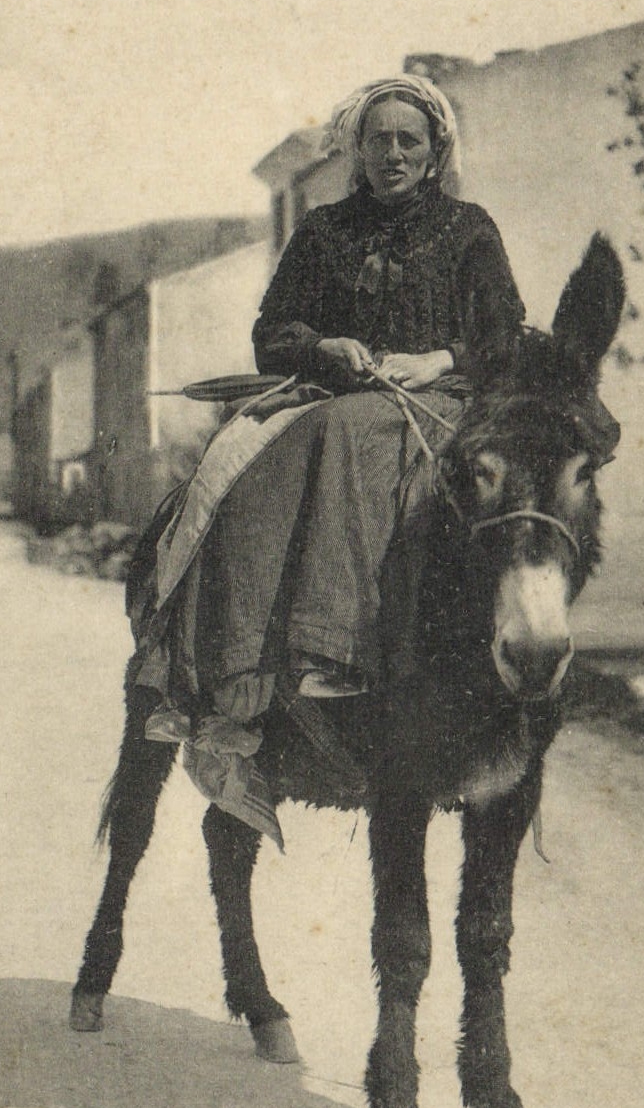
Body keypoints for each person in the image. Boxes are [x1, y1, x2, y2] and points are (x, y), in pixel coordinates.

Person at [137, 78, 524, 835]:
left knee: (374, 444)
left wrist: (435, 355)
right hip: (333, 397)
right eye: (378, 139)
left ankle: (408, 663)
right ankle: (226, 682)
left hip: (441, 401)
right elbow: (271, 333)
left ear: (435, 148)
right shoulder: (322, 232)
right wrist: (322, 346)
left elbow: (505, 335)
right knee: (240, 466)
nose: (393, 154)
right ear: (357, 149)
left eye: (408, 140)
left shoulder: (468, 228)